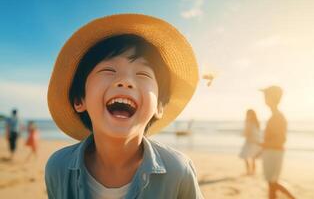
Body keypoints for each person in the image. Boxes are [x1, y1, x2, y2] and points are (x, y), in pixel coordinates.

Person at [45, 14, 203, 199]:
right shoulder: (58, 167)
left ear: (159, 106)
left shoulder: (178, 171)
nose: (125, 81)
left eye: (143, 74)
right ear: (80, 100)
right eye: (108, 70)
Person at [260, 86, 295, 199]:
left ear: (272, 98)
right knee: (272, 183)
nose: (264, 98)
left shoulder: (278, 117)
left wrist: (264, 145)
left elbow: (281, 140)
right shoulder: (275, 116)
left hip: (273, 153)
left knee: (273, 183)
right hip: (271, 152)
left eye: (266, 95)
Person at [239, 109, 261, 175]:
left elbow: (247, 133)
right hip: (256, 141)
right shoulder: (256, 122)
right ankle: (253, 172)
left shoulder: (249, 122)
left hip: (250, 142)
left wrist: (243, 134)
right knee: (252, 157)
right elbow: (257, 133)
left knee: (246, 157)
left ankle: (249, 171)